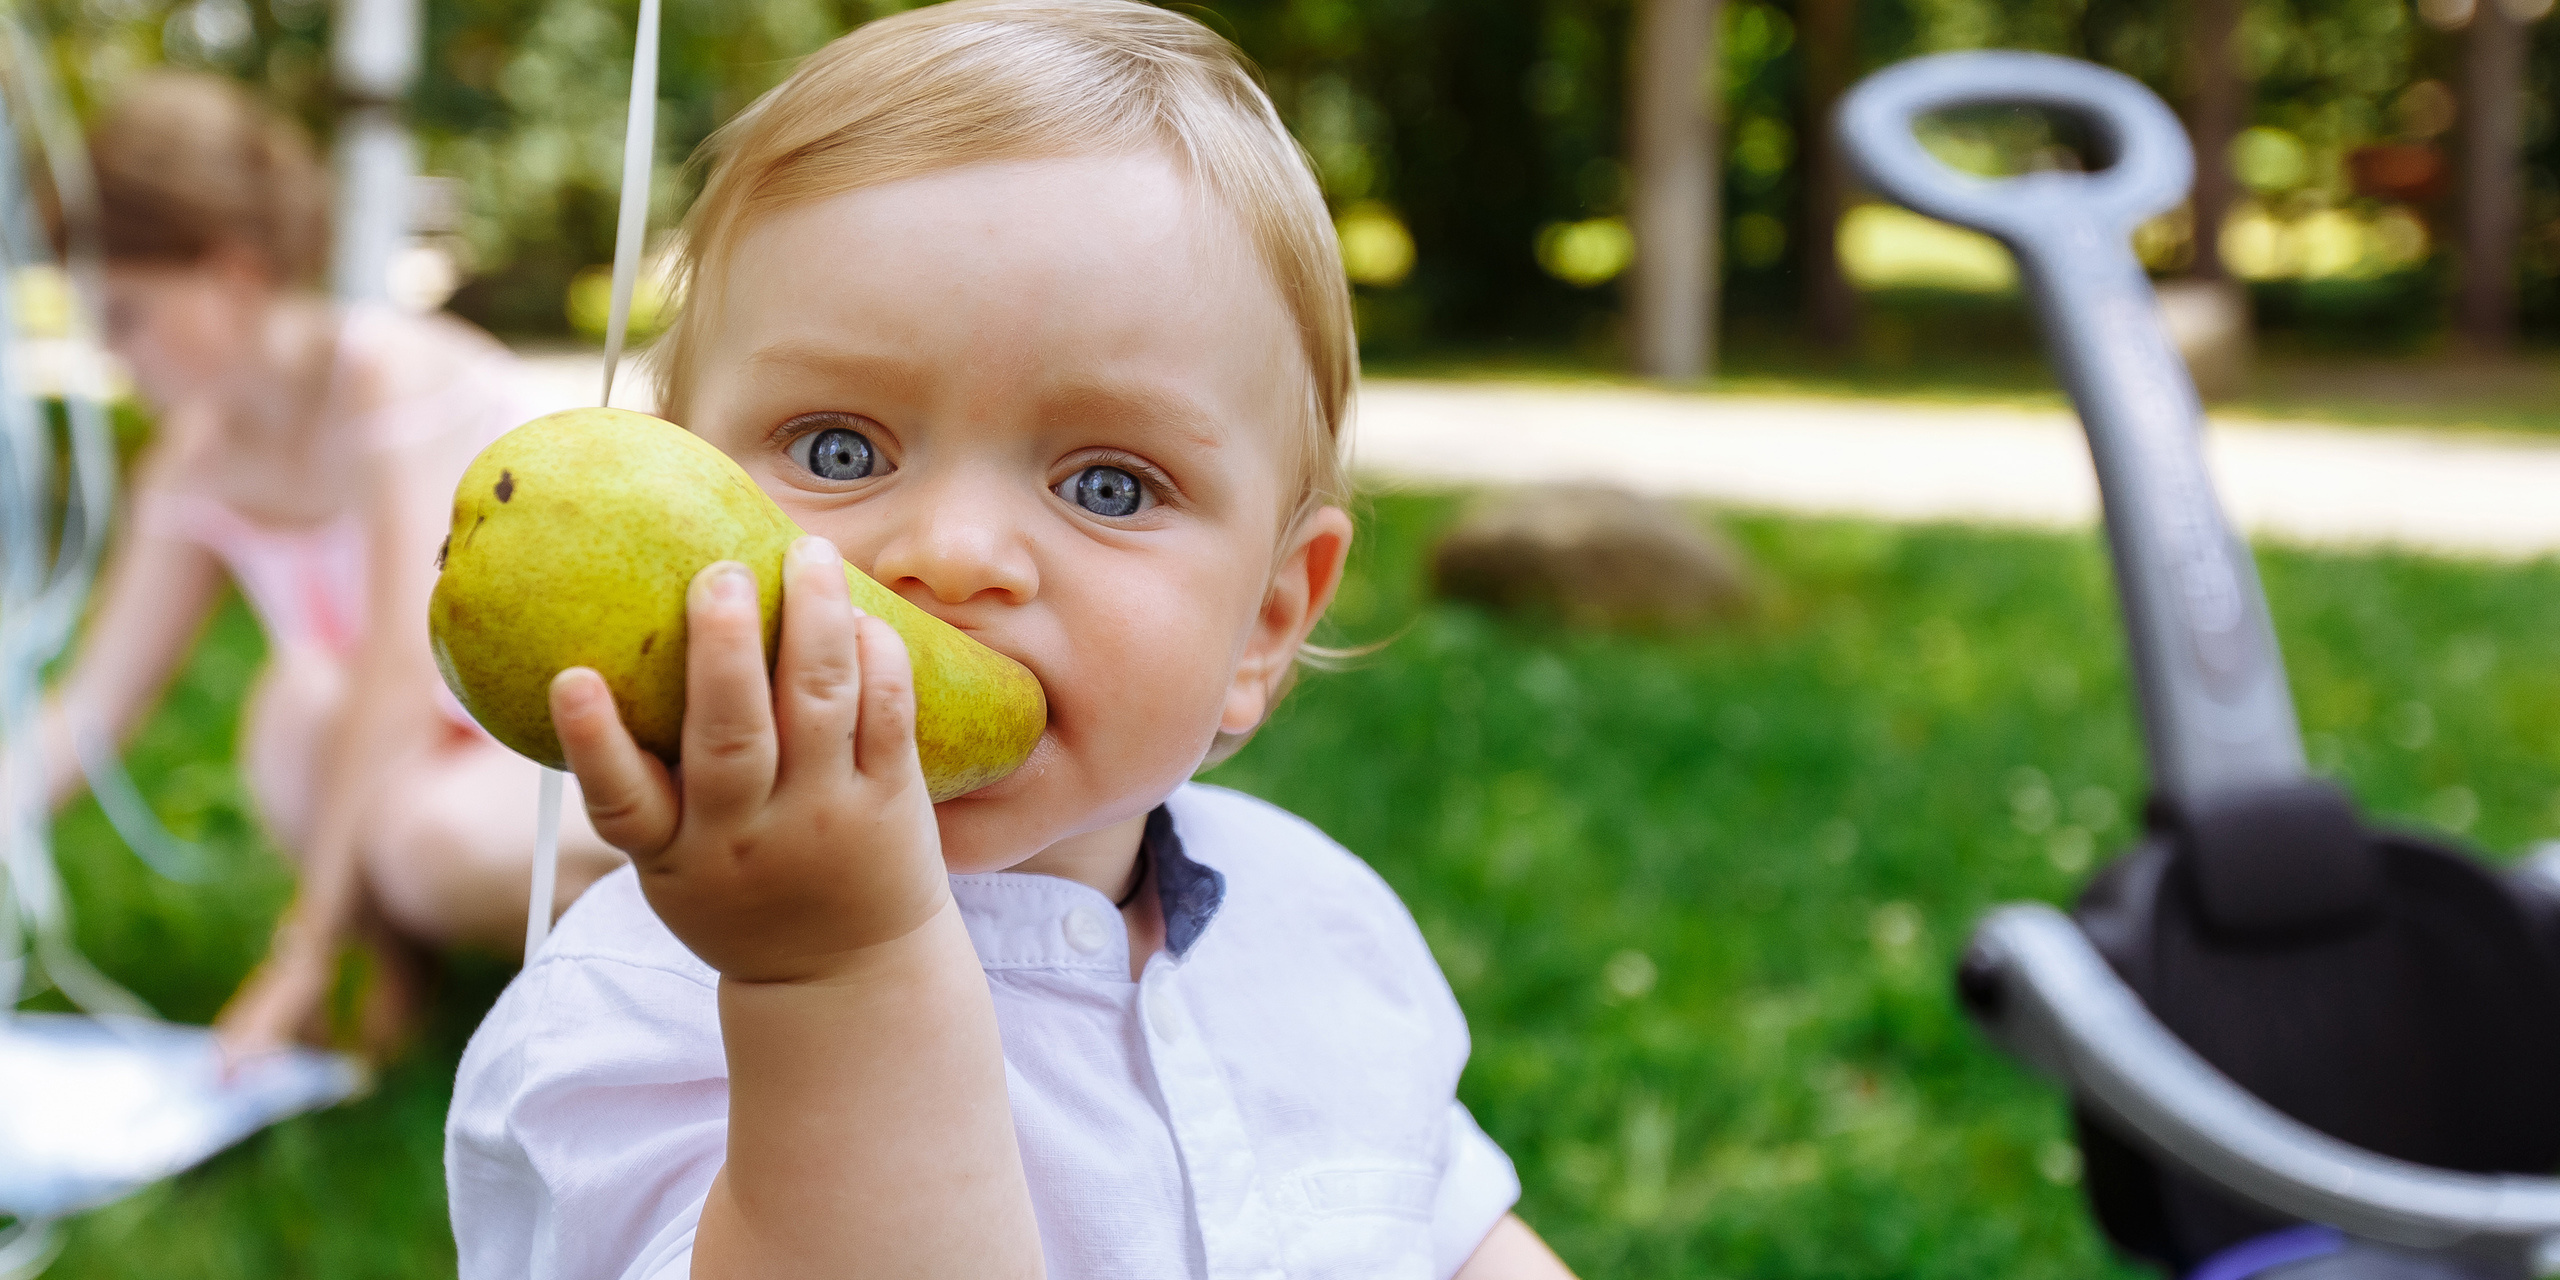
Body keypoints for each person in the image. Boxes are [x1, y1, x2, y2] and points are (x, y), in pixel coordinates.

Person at [444, 3, 1577, 1277]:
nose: (955, 552)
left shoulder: (1320, 923)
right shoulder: (633, 1010)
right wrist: (831, 977)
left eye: (1108, 485)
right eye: (838, 449)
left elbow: (1448, 1226)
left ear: (1263, 625)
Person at [32, 72, 623, 1059]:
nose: (108, 347)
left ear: (230, 271)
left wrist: (297, 943)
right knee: (299, 697)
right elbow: (95, 702)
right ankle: (383, 961)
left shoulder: (385, 384)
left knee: (425, 841)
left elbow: (402, 673)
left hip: (557, 735)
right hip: (408, 761)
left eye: (127, 312)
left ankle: (644, 968)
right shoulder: (197, 455)